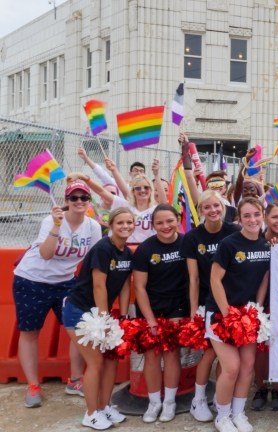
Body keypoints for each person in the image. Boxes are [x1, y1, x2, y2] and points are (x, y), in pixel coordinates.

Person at [13, 181, 102, 408]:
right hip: (32, 280)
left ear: (89, 201)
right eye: (74, 198)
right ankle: (33, 385)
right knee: (30, 331)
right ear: (67, 201)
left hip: (66, 282)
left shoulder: (92, 226)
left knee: (78, 329)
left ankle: (75, 380)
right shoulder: (51, 221)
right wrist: (55, 225)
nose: (79, 202)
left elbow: (94, 258)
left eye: (84, 198)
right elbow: (45, 253)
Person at [62, 208, 135, 429]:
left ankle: (104, 407)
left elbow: (124, 286)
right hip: (80, 311)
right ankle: (91, 413)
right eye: (120, 222)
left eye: (129, 222)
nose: (125, 226)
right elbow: (98, 286)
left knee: (112, 360)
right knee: (95, 362)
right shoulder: (103, 249)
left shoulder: (128, 253)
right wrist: (104, 320)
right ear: (110, 226)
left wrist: (122, 317)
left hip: (101, 313)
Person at [208, 197, 271, 432]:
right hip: (220, 314)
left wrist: (258, 308)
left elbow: (264, 277)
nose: (252, 219)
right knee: (232, 367)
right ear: (240, 219)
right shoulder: (229, 244)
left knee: (248, 365)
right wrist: (226, 314)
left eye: (256, 214)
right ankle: (222, 416)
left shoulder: (265, 245)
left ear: (262, 215)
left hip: (247, 314)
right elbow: (214, 279)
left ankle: (238, 413)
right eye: (247, 215)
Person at [181, 190, 242, 422]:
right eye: (207, 207)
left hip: (231, 303)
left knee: (225, 356)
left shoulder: (234, 231)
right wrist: (194, 312)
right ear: (200, 211)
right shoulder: (193, 237)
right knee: (207, 354)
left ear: (223, 207)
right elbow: (194, 278)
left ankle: (219, 397)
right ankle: (198, 400)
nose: (213, 210)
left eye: (216, 205)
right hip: (207, 305)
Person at [132, 204, 189, 423]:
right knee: (151, 355)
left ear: (177, 219)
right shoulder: (145, 249)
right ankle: (154, 402)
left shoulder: (187, 242)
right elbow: (140, 288)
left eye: (169, 221)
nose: (165, 226)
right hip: (150, 306)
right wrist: (150, 321)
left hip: (178, 305)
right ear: (153, 225)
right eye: (159, 223)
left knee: (172, 353)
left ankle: (170, 402)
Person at [250, 202, 278, 412]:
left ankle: (277, 388)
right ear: (266, 219)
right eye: (274, 217)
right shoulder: (256, 242)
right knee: (261, 349)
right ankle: (260, 388)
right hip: (260, 302)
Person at [69, 159, 168, 244]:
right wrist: (83, 177)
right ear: (133, 191)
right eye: (138, 188)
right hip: (123, 249)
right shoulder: (124, 205)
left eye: (146, 187)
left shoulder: (155, 209)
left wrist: (156, 175)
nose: (142, 190)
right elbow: (101, 191)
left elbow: (164, 202)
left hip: (145, 251)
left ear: (151, 190)